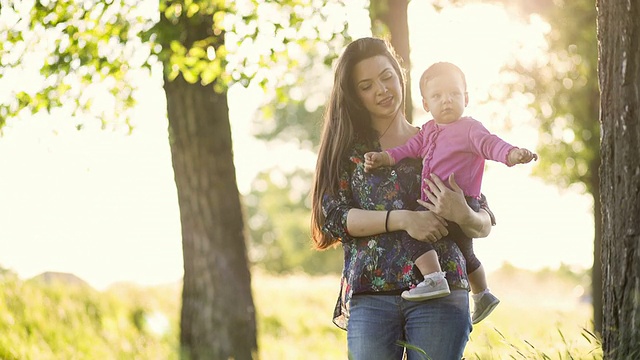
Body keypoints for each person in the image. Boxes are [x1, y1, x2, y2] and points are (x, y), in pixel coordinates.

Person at [310, 38, 496, 360]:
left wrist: (463, 213)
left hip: (442, 292)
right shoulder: (348, 151)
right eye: (366, 86)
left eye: (386, 77)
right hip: (372, 295)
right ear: (355, 95)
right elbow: (333, 217)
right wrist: (403, 219)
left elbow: (484, 221)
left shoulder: (440, 137)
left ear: (400, 76)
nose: (381, 90)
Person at [363, 61, 537, 324]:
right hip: (453, 208)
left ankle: (433, 278)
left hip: (451, 202)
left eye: (454, 94)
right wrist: (385, 158)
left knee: (412, 234)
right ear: (425, 104)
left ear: (466, 98)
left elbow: (491, 145)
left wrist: (512, 154)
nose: (446, 101)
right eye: (437, 96)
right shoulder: (428, 130)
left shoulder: (469, 128)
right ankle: (483, 294)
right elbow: (407, 149)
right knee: (467, 253)